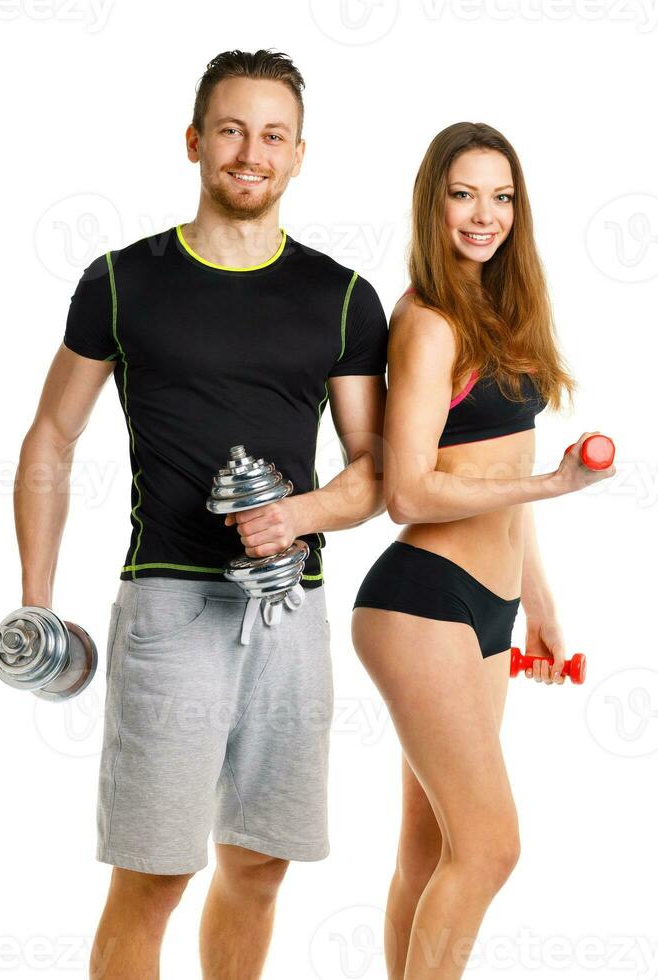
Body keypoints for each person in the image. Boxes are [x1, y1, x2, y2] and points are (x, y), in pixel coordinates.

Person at [13, 49, 388, 979]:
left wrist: (297, 512)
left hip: (287, 608)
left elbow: (376, 472)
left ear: (300, 154)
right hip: (168, 608)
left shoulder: (341, 297)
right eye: (230, 129)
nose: (249, 152)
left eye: (271, 135)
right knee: (153, 877)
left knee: (259, 866)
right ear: (193, 141)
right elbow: (50, 440)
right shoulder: (121, 281)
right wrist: (34, 601)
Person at [351, 122, 615, 979]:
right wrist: (550, 487)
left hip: (488, 614)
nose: (483, 214)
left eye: (500, 196)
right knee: (492, 848)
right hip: (422, 600)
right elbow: (409, 490)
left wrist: (538, 608)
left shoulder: (498, 312)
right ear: (433, 201)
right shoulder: (427, 321)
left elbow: (504, 469)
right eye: (463, 193)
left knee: (431, 855)